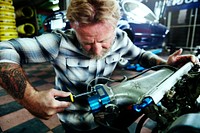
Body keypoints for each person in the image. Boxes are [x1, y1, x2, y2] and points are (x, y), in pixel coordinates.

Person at [0, 0, 198, 132]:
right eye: (87, 42)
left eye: (104, 41)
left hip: (109, 114)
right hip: (75, 123)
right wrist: (30, 97)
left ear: (116, 26)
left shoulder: (120, 38)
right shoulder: (58, 43)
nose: (96, 50)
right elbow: (4, 49)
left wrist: (165, 63)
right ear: (73, 27)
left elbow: (141, 56)